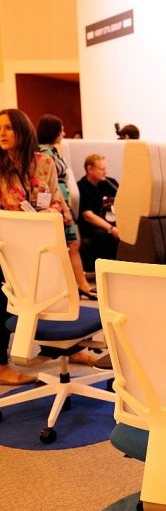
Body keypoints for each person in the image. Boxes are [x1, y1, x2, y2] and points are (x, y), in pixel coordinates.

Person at [0, 108, 94, 382]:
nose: (1, 133)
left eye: (8, 127)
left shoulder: (44, 163)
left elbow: (56, 199)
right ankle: (2, 366)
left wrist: (57, 223)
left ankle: (70, 349)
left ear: (23, 129)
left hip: (42, 240)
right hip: (8, 245)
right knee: (4, 299)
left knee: (55, 294)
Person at [36, 114, 96, 299]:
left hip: (62, 201)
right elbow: (51, 184)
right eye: (61, 130)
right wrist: (65, 208)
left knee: (72, 244)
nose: (64, 133)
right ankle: (80, 285)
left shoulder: (53, 150)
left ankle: (80, 284)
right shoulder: (44, 154)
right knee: (72, 244)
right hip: (56, 203)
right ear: (53, 131)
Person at [77, 154, 119, 262]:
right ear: (90, 169)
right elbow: (88, 216)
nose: (105, 172)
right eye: (102, 169)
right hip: (95, 227)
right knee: (102, 235)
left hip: (114, 222)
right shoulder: (81, 187)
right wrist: (111, 229)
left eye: (105, 169)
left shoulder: (111, 183)